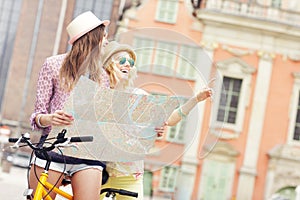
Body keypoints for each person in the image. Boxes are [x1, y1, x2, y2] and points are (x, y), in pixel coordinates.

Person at [100, 41, 212, 199]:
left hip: (129, 175)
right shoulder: (98, 94)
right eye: (122, 60)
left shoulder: (139, 96)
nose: (127, 65)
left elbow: (171, 119)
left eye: (131, 62)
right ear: (109, 63)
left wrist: (196, 99)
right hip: (98, 171)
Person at [29, 11, 110, 200]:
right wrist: (50, 118)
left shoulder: (102, 76)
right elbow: (36, 118)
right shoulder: (52, 65)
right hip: (54, 148)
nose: (106, 41)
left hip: (88, 152)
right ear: (92, 38)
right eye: (104, 36)